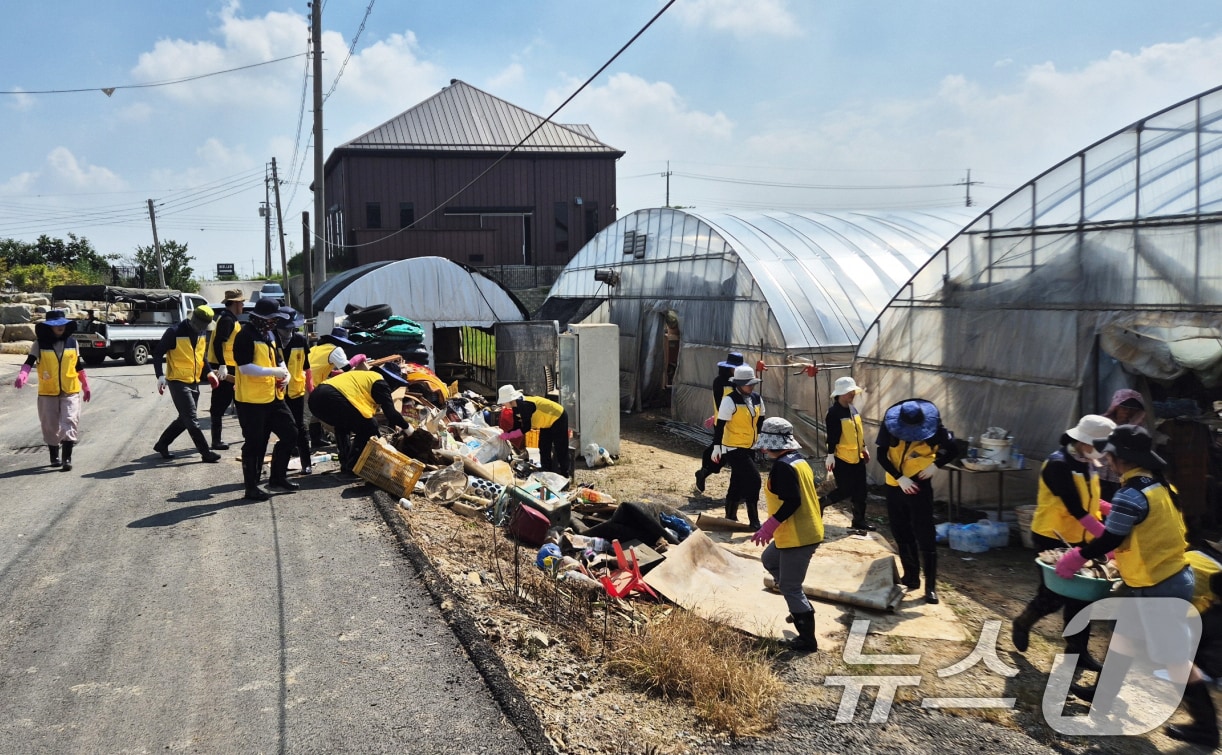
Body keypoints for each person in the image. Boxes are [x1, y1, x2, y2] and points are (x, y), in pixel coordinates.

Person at [1054, 425, 1215, 747]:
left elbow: (1110, 539)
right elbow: (1149, 529)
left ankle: (1207, 728)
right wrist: (1113, 524)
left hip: (1160, 586)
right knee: (1123, 639)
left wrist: (1076, 557)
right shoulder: (1158, 485)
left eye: (1109, 454)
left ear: (1121, 457)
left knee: (1175, 659)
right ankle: (1102, 699)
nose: (1107, 459)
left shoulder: (1131, 494)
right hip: (1157, 578)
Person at [1010, 414, 1115, 671]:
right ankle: (1023, 622)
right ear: (1084, 441)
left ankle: (1077, 652)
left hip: (1083, 536)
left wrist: (1111, 509)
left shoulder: (1087, 461)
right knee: (1053, 594)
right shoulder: (1058, 464)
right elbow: (1075, 507)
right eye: (1101, 445)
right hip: (1052, 535)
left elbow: (1090, 498)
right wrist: (1108, 538)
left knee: (1083, 598)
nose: (1104, 452)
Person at [751, 417, 824, 652]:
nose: (763, 449)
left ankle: (806, 639)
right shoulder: (798, 460)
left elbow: (792, 501)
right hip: (802, 530)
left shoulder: (782, 467)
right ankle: (800, 607)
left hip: (798, 536)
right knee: (770, 559)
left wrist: (770, 525)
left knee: (791, 587)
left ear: (770, 444)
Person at [876, 398, 956, 604]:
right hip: (896, 485)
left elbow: (954, 449)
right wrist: (899, 478)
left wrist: (936, 465)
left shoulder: (935, 428)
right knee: (900, 530)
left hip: (919, 486)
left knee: (925, 532)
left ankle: (930, 587)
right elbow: (881, 455)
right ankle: (911, 577)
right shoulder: (889, 426)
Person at [232, 298, 298, 501]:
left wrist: (285, 374)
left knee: (291, 434)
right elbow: (245, 367)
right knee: (254, 444)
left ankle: (277, 478)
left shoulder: (269, 334)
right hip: (251, 401)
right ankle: (251, 488)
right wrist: (274, 372)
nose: (275, 322)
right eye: (272, 318)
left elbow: (278, 359)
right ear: (260, 318)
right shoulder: (245, 335)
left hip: (273, 397)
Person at [12, 310, 91, 471]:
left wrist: (85, 384)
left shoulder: (72, 342)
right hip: (48, 391)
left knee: (70, 420)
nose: (60, 327)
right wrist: (23, 374)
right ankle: (54, 456)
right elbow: (29, 361)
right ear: (49, 327)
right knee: (50, 425)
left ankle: (67, 458)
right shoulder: (39, 344)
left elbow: (77, 365)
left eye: (62, 324)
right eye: (56, 325)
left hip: (70, 389)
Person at [308, 362, 412, 477]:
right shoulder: (380, 382)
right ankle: (353, 467)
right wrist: (408, 429)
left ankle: (346, 463)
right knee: (369, 426)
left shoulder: (366, 377)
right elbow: (391, 413)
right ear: (391, 379)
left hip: (315, 399)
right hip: (331, 396)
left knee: (343, 426)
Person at [151, 305, 223, 463]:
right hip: (177, 381)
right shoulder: (174, 332)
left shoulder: (201, 332)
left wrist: (209, 372)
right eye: (201, 326)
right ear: (194, 321)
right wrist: (160, 376)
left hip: (194, 381)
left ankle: (162, 444)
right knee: (191, 419)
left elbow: (201, 356)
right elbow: (157, 354)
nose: (203, 329)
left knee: (185, 419)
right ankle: (206, 453)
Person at [711, 365, 765, 530]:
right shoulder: (729, 400)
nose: (751, 387)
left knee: (738, 481)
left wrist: (761, 439)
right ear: (739, 384)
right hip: (733, 447)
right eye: (748, 384)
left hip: (750, 446)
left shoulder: (756, 398)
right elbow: (720, 425)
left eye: (752, 383)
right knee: (754, 479)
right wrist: (717, 446)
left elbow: (760, 419)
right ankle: (754, 520)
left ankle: (730, 515)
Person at [822, 376, 872, 532]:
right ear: (840, 394)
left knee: (861, 491)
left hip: (857, 457)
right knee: (846, 489)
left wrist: (864, 447)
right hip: (841, 458)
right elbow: (832, 436)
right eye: (849, 392)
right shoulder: (834, 413)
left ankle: (859, 521)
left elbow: (857, 432)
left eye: (853, 392)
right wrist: (830, 455)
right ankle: (821, 503)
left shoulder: (853, 409)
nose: (852, 394)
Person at [694, 351, 743, 493]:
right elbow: (719, 403)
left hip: (739, 423)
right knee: (725, 452)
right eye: (735, 368)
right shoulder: (720, 382)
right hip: (724, 423)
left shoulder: (740, 382)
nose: (737, 370)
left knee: (728, 454)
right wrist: (716, 416)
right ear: (728, 368)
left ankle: (704, 472)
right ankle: (704, 472)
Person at [496, 384, 571, 477]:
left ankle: (565, 474)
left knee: (560, 447)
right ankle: (546, 471)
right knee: (544, 446)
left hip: (558, 416)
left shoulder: (524, 405)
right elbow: (517, 426)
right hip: (546, 422)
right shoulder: (516, 407)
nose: (503, 404)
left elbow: (526, 428)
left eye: (503, 402)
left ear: (510, 400)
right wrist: (505, 434)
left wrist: (509, 435)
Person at [306, 326, 358, 450]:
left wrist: (334, 373)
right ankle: (300, 446)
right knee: (306, 417)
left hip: (305, 381)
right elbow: (346, 367)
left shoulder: (315, 348)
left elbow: (321, 368)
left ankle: (316, 440)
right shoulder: (335, 349)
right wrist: (358, 358)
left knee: (314, 414)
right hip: (309, 384)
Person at [275, 306, 314, 474]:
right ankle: (282, 464)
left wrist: (310, 387)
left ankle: (306, 463)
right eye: (285, 328)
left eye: (291, 328)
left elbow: (306, 366)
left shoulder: (300, 340)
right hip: (276, 392)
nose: (288, 332)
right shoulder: (271, 340)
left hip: (296, 391)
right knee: (281, 428)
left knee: (300, 428)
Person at [207, 289, 245, 450]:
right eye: (241, 302)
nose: (243, 305)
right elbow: (218, 343)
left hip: (230, 365)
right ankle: (216, 441)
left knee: (241, 402)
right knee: (220, 405)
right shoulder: (227, 320)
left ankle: (249, 435)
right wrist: (222, 365)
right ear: (235, 303)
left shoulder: (229, 318)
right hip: (225, 367)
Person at [1099, 389, 1147, 501]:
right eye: (1124, 408)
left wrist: (1133, 424)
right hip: (1098, 477)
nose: (1127, 412)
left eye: (1132, 409)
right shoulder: (1101, 423)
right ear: (1116, 407)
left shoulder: (1139, 428)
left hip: (1122, 479)